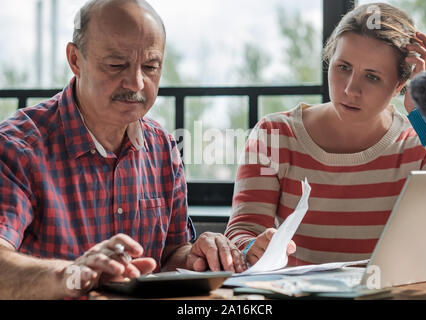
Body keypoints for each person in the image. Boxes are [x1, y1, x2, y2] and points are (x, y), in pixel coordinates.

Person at [0, 0, 246, 300]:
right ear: (75, 60)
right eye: (116, 65)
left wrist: (199, 255)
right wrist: (72, 274)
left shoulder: (163, 148)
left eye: (151, 66)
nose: (136, 82)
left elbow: (170, 255)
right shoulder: (18, 147)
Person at [225, 3, 426, 267]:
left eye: (372, 77)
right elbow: (242, 231)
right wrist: (252, 246)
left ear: (400, 85)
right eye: (343, 67)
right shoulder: (274, 135)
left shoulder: (419, 142)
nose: (350, 89)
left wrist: (422, 118)